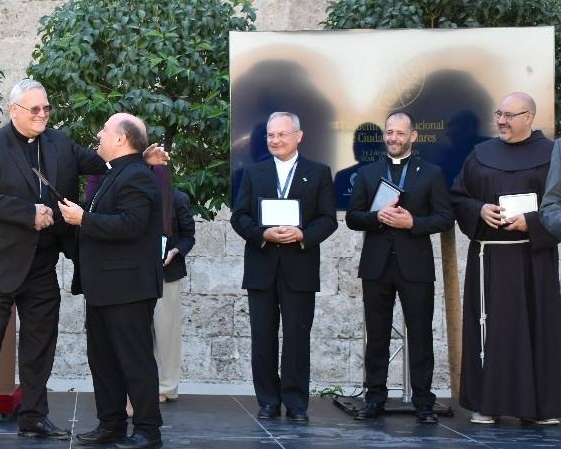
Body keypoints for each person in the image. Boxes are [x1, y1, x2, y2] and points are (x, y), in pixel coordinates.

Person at [0, 78, 166, 445]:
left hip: (41, 263)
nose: (43, 115)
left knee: (41, 343)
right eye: (34, 109)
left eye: (46, 108)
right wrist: (29, 213)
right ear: (14, 111)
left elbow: (105, 162)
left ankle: (34, 417)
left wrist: (139, 159)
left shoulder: (59, 143)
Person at [450, 92, 561, 424]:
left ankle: (542, 408)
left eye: (510, 115)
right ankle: (488, 405)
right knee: (492, 332)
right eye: (499, 114)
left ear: (529, 117)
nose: (501, 121)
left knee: (539, 329)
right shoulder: (480, 154)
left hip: (534, 258)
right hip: (491, 259)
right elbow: (459, 197)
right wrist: (479, 209)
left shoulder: (552, 153)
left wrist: (534, 221)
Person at [59, 113, 164, 449]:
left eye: (104, 131)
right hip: (104, 287)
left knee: (135, 361)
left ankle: (148, 430)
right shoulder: (114, 174)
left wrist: (83, 218)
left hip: (129, 289)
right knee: (103, 360)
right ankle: (111, 423)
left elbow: (131, 225)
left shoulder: (137, 176)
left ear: (121, 139)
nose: (99, 136)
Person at [345, 112, 453, 424]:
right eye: (389, 133)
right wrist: (375, 217)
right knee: (376, 336)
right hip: (377, 266)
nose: (394, 138)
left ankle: (424, 403)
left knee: (420, 335)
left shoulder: (431, 174)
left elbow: (445, 218)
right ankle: (374, 399)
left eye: (400, 133)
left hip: (415, 267)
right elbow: (353, 217)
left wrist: (413, 223)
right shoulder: (368, 173)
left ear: (413, 136)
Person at [230, 111, 336, 423]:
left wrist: (304, 235)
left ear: (298, 136)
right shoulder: (253, 172)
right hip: (262, 268)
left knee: (296, 338)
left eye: (282, 135)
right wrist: (262, 233)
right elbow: (239, 216)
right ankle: (267, 401)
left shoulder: (318, 173)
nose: (275, 140)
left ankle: (296, 403)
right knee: (262, 338)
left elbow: (328, 220)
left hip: (299, 268)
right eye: (271, 136)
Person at [156, 184, 196, 403]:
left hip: (166, 275)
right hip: (135, 275)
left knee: (166, 333)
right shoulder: (130, 195)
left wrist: (174, 251)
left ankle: (166, 387)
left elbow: (188, 236)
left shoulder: (177, 198)